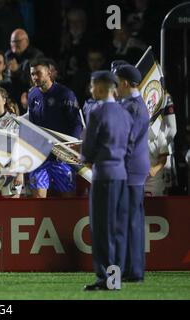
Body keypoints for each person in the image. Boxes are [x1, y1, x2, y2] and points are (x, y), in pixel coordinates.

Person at [81, 71, 133, 291]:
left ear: (100, 88)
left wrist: (87, 160)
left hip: (103, 176)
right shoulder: (125, 112)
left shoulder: (96, 112)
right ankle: (116, 278)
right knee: (117, 229)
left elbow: (88, 147)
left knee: (102, 229)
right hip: (121, 174)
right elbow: (131, 146)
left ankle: (106, 278)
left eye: (93, 86)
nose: (91, 90)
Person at [114, 64, 150, 282]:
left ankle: (134, 271)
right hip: (132, 167)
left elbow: (127, 140)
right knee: (128, 220)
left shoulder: (133, 107)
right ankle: (130, 268)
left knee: (131, 221)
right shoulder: (130, 104)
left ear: (125, 82)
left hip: (130, 169)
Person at [27, 58, 83, 198]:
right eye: (32, 74)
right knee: (38, 198)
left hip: (61, 156)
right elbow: (33, 125)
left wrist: (69, 148)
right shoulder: (32, 95)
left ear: (49, 73)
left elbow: (77, 124)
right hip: (41, 156)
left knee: (68, 199)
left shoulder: (65, 94)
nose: (35, 77)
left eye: (38, 73)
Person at [5, 28, 43, 109]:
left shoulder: (36, 55)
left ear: (27, 42)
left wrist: (16, 71)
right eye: (12, 42)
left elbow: (32, 79)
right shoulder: (8, 55)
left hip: (28, 92)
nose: (15, 44)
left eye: (18, 41)